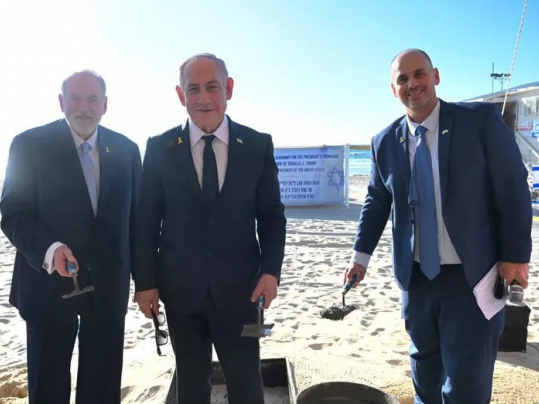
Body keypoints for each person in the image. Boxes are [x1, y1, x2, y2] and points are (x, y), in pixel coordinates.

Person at [343, 49, 531, 403]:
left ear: (436, 76)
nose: (412, 84)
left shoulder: (479, 121)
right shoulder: (384, 142)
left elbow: (512, 186)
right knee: (424, 372)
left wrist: (516, 256)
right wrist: (360, 257)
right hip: (417, 279)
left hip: (473, 276)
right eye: (403, 79)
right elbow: (377, 200)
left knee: (467, 381)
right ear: (393, 89)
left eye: (419, 74)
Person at [133, 53, 286, 404]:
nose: (203, 98)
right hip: (180, 293)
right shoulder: (158, 148)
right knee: (190, 381)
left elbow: (271, 215)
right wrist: (145, 283)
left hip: (245, 293)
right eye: (193, 89)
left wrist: (271, 272)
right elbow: (145, 222)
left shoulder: (258, 145)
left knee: (247, 379)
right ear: (180, 94)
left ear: (228, 89)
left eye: (212, 87)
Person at [0, 70, 142, 404]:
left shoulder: (127, 150)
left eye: (93, 99)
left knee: (102, 390)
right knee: (48, 389)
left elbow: (138, 221)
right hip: (47, 286)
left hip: (108, 289)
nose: (84, 107)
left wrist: (146, 281)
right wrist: (50, 249)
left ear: (105, 105)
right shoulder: (29, 145)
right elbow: (13, 212)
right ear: (61, 102)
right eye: (75, 99)